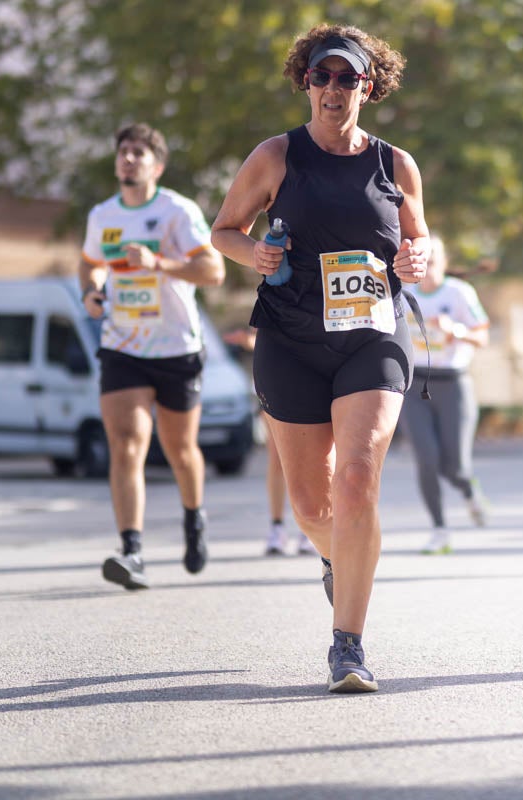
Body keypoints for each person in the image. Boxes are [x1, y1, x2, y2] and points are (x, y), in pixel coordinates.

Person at [210, 24, 429, 693]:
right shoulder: (276, 157)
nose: (333, 89)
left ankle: (348, 645)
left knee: (356, 478)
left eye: (347, 78)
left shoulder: (396, 165)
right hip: (291, 342)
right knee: (310, 503)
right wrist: (256, 254)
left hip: (373, 340)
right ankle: (341, 558)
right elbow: (224, 231)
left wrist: (422, 258)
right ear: (306, 83)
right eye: (321, 77)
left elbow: (421, 241)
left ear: (370, 85)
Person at [79, 123, 225, 591]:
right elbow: (90, 261)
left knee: (181, 451)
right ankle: (132, 551)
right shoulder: (103, 215)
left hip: (176, 348)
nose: (129, 158)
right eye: (123, 151)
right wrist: (92, 290)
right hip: (122, 344)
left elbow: (214, 270)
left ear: (156, 166)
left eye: (139, 152)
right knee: (126, 443)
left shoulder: (176, 211)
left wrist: (158, 263)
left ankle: (193, 517)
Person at [399, 236, 491, 555]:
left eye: (434, 257)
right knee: (426, 459)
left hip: (454, 385)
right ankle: (439, 529)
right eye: (423, 258)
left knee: (455, 467)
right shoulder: (404, 293)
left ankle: (469, 490)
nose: (428, 265)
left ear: (445, 262)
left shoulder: (459, 293)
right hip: (415, 386)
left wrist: (456, 331)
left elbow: (483, 335)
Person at [222, 327, 317, 556]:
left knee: (316, 458)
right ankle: (277, 528)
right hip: (277, 384)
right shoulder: (271, 291)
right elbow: (265, 339)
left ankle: (311, 529)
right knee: (279, 458)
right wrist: (249, 341)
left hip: (313, 380)